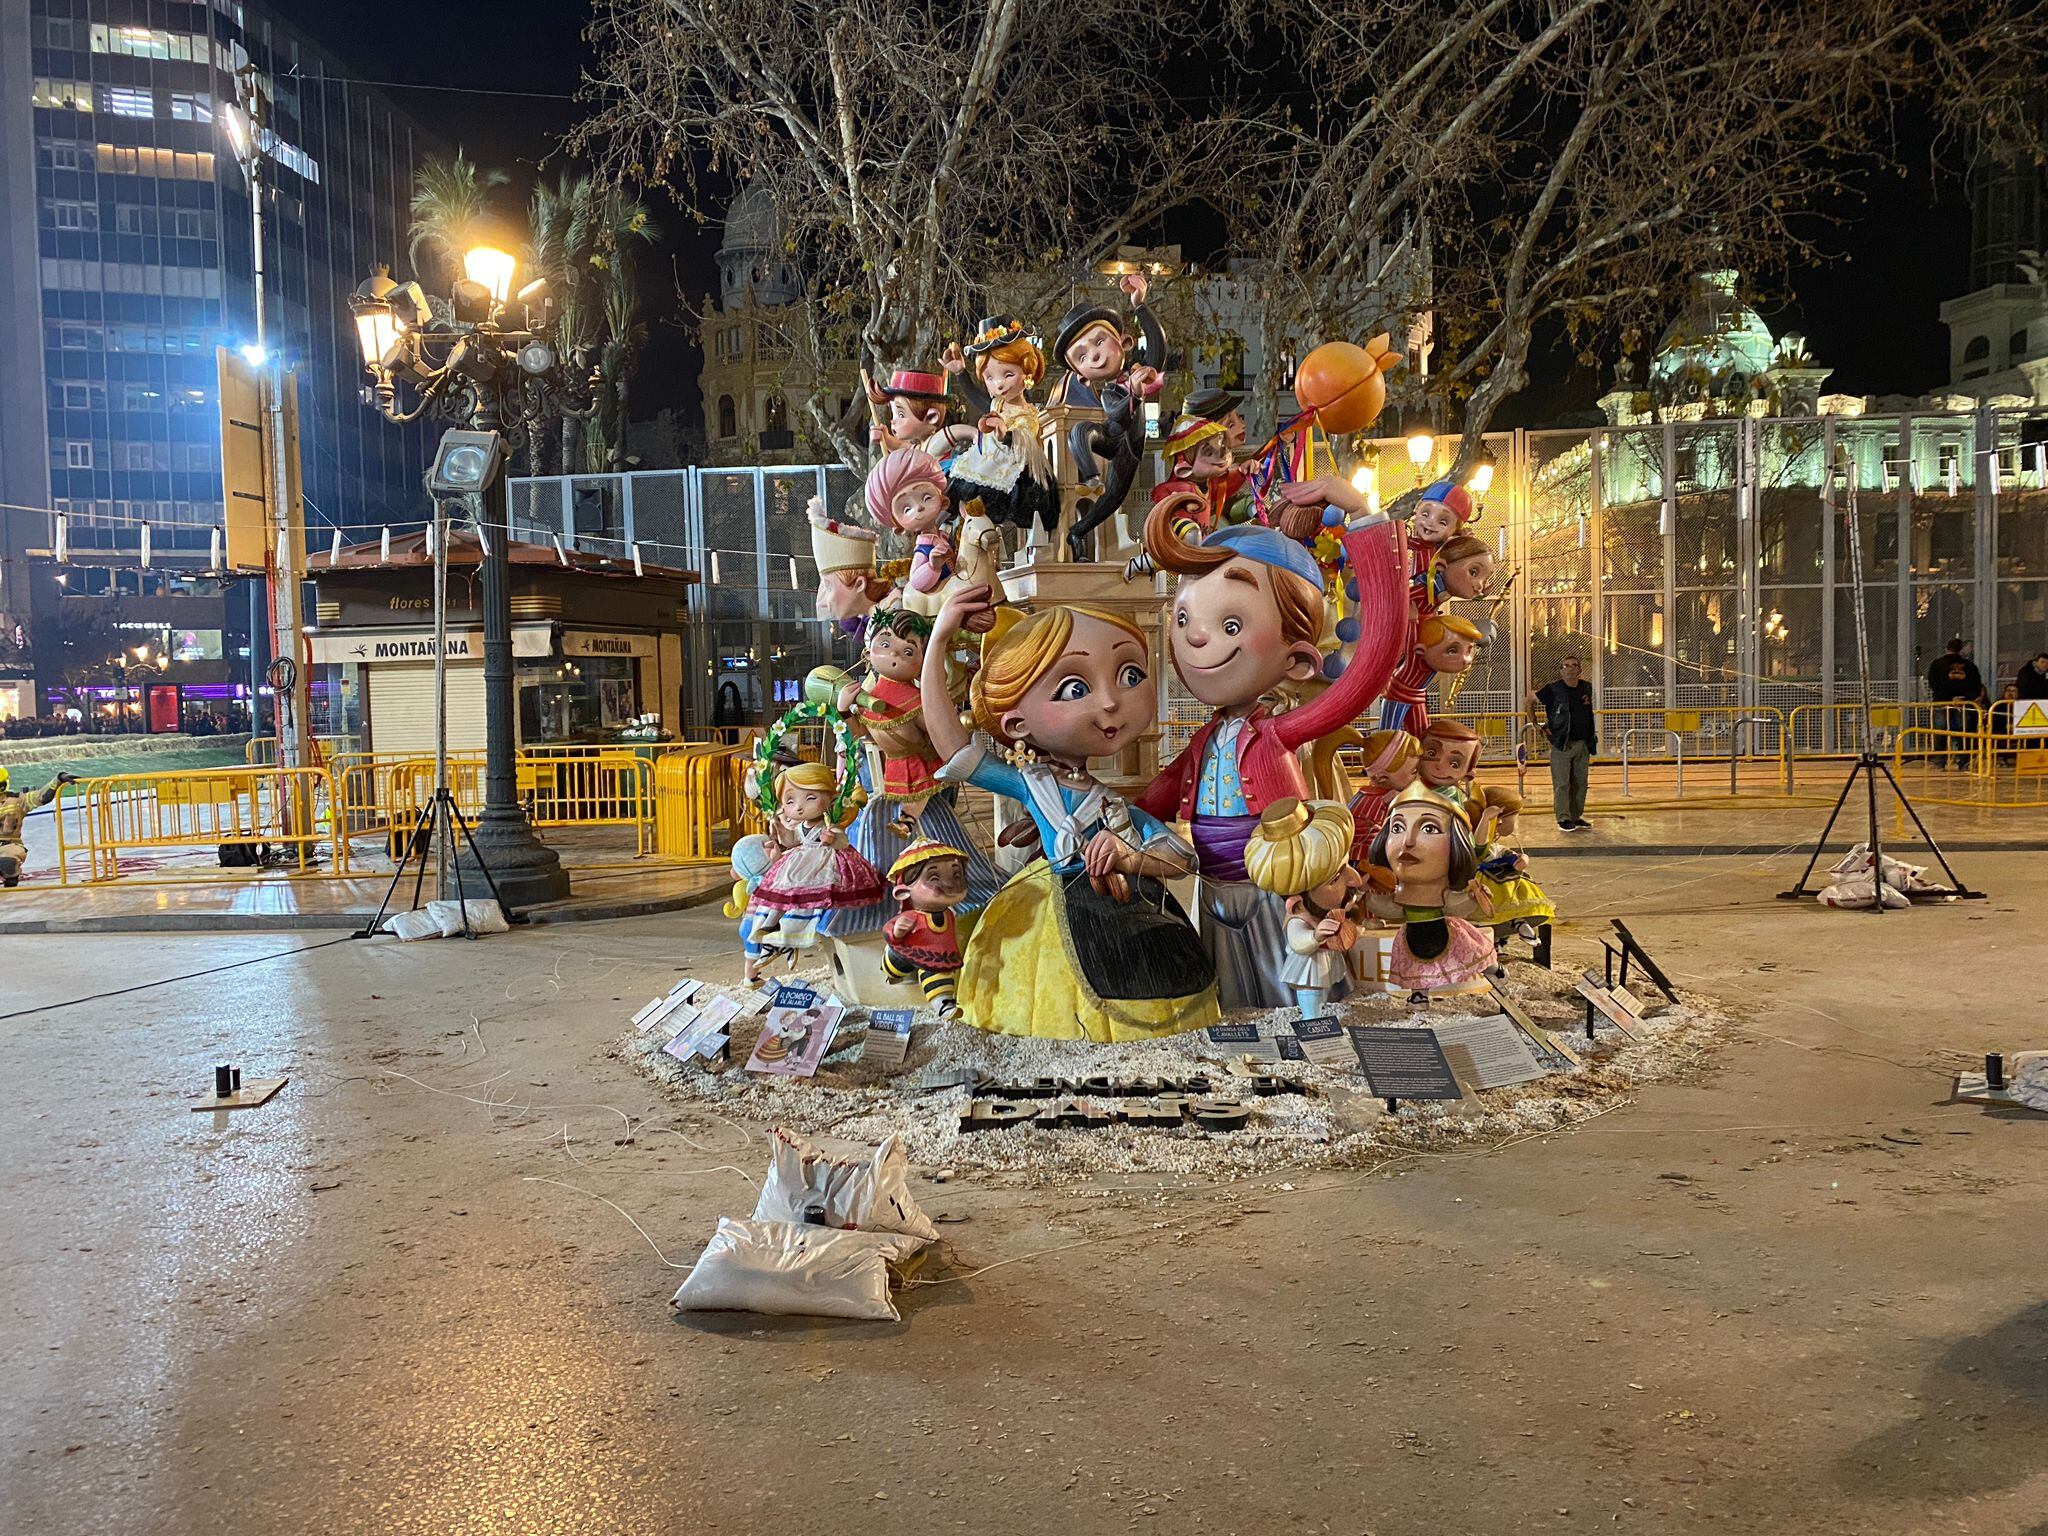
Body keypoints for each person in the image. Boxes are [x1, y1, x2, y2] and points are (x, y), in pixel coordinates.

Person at [1531, 654, 1596, 830]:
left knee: (1580, 783)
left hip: (1582, 743)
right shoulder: (1553, 689)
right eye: (1566, 666)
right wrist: (1536, 723)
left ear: (1580, 670)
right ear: (1561, 671)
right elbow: (1529, 700)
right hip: (1561, 744)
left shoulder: (1586, 688)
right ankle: (1563, 817)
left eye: (1574, 665)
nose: (1570, 669)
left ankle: (1575, 816)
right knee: (1562, 783)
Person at [0, 767, 78, 887]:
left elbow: (41, 797)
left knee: (8, 862)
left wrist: (58, 780)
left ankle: (11, 880)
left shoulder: (16, 800)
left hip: (8, 846)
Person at [1926, 638, 1985, 768]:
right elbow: (1976, 686)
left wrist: (1948, 697)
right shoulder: (1970, 666)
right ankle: (1963, 761)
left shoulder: (1937, 664)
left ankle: (1939, 761)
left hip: (1942, 702)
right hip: (1964, 704)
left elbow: (1933, 684)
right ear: (1961, 650)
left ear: (1946, 648)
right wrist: (1962, 698)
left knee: (1940, 732)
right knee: (1963, 732)